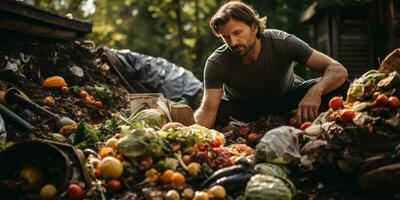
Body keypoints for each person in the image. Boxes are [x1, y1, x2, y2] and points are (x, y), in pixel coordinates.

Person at [194, 1, 349, 128]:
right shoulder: (217, 62)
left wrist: (316, 92)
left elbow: (337, 70)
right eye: (226, 37)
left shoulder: (283, 42)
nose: (232, 42)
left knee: (340, 86)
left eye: (237, 33)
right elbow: (208, 110)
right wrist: (190, 134)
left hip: (286, 99)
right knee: (218, 110)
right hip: (245, 109)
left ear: (254, 27)